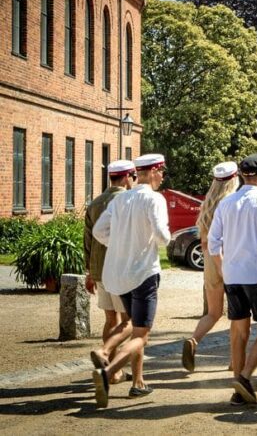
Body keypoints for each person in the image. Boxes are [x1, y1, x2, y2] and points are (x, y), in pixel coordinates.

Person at [91, 154, 171, 408]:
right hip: (144, 273)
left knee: (131, 324)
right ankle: (108, 368)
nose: (162, 178)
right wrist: (163, 239)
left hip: (119, 274)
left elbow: (98, 231)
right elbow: (161, 235)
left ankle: (134, 379)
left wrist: (118, 245)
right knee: (141, 335)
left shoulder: (121, 199)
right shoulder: (154, 198)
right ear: (155, 171)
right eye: (162, 173)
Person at [208, 153, 257, 406]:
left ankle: (238, 388)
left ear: (243, 174)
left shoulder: (226, 203)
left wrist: (223, 269)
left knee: (238, 332)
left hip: (233, 274)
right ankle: (243, 377)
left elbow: (212, 243)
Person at [182, 161, 239, 373]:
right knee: (238, 315)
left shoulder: (207, 204)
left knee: (213, 313)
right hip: (230, 262)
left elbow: (205, 240)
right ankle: (235, 360)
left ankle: (194, 340)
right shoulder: (232, 204)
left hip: (209, 263)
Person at [84, 159, 135, 386]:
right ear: (126, 177)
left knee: (109, 319)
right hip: (120, 269)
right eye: (133, 177)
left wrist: (88, 271)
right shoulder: (126, 201)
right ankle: (111, 363)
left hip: (98, 268)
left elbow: (87, 241)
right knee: (128, 321)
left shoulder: (95, 203)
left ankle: (112, 372)